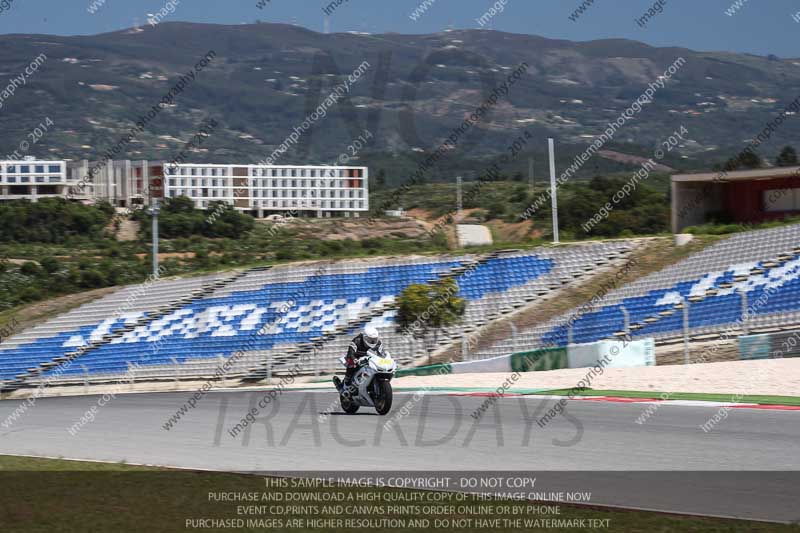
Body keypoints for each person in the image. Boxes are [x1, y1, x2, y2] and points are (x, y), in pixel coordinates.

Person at [336, 325, 383, 393]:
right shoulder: (357, 340)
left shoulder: (378, 342)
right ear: (364, 337)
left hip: (369, 357)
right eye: (370, 339)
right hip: (356, 357)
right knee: (352, 365)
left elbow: (381, 353)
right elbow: (350, 352)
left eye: (374, 339)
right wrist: (354, 359)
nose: (372, 342)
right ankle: (346, 383)